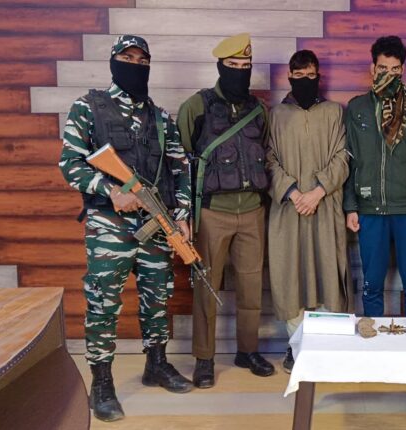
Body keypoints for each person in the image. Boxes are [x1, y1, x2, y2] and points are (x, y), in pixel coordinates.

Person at [59, 35, 193, 422]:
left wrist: (182, 214)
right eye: (127, 57)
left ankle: (157, 364)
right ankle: (102, 383)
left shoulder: (161, 118)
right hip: (109, 225)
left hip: (155, 223)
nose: (135, 64)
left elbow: (180, 168)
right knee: (103, 301)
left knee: (158, 296)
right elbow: (70, 164)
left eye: (142, 59)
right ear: (113, 61)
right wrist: (111, 191)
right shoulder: (88, 108)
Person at [177, 33, 275, 388]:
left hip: (252, 211)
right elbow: (181, 162)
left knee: (251, 286)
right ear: (220, 66)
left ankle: (247, 350)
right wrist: (185, 214)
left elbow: (266, 153)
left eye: (245, 66)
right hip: (212, 213)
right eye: (233, 65)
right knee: (207, 287)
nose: (239, 71)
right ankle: (204, 358)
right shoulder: (197, 106)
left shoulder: (259, 111)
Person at [266, 49, 353, 373]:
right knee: (290, 275)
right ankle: (296, 346)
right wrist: (292, 192)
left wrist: (317, 192)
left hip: (325, 206)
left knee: (327, 271)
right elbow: (268, 159)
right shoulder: (276, 115)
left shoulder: (333, 112)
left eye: (311, 75)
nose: (305, 80)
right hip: (288, 210)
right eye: (299, 75)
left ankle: (327, 347)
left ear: (319, 76)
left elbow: (343, 156)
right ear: (289, 77)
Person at [343, 35, 406, 317]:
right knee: (371, 284)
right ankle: (374, 341)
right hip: (369, 209)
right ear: (373, 69)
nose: (389, 74)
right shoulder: (357, 107)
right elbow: (349, 160)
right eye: (383, 68)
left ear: (403, 70)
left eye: (395, 69)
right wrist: (350, 206)